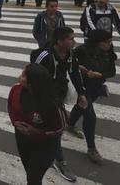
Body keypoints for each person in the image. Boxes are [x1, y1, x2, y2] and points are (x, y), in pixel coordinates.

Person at [31, 26, 85, 182]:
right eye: (71, 39)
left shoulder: (70, 54)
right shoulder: (45, 55)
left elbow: (74, 73)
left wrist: (81, 93)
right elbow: (32, 75)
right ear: (60, 41)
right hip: (43, 98)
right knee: (56, 129)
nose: (74, 42)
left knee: (50, 127)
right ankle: (60, 162)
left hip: (58, 97)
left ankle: (46, 149)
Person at [7, 64, 66, 185]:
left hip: (45, 145)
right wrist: (14, 122)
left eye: (24, 75)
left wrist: (39, 132)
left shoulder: (52, 103)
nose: (20, 76)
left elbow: (60, 127)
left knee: (33, 178)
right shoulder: (16, 89)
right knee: (29, 171)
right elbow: (10, 106)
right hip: (22, 139)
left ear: (32, 83)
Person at [67, 30, 117, 164]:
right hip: (81, 87)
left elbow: (112, 71)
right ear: (97, 42)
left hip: (96, 87)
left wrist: (100, 74)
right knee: (90, 116)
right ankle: (91, 148)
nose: (109, 44)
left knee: (80, 107)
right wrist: (83, 70)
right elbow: (68, 63)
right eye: (106, 42)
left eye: (110, 41)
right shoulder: (81, 50)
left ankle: (70, 125)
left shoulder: (108, 52)